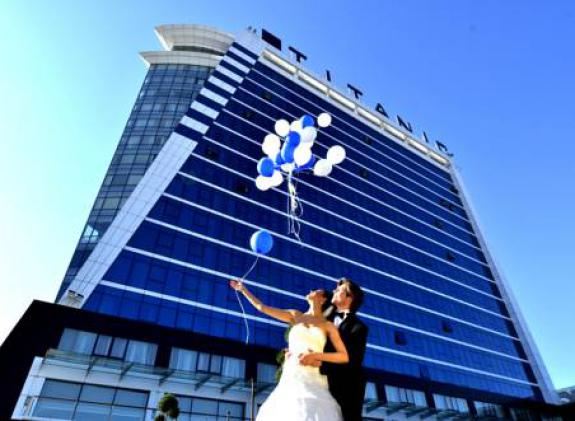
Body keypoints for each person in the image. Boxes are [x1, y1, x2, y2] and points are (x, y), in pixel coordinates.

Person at [229, 279, 349, 421]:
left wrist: (317, 356)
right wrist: (243, 290)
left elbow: (343, 356)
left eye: (317, 291)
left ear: (323, 299)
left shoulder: (328, 325)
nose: (311, 291)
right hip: (293, 372)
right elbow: (262, 307)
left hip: (315, 375)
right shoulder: (295, 315)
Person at [300, 277, 368, 421]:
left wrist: (320, 361)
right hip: (318, 381)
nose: (334, 291)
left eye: (339, 291)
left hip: (347, 387)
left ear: (350, 298)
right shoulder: (326, 315)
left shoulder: (359, 328)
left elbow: (352, 361)